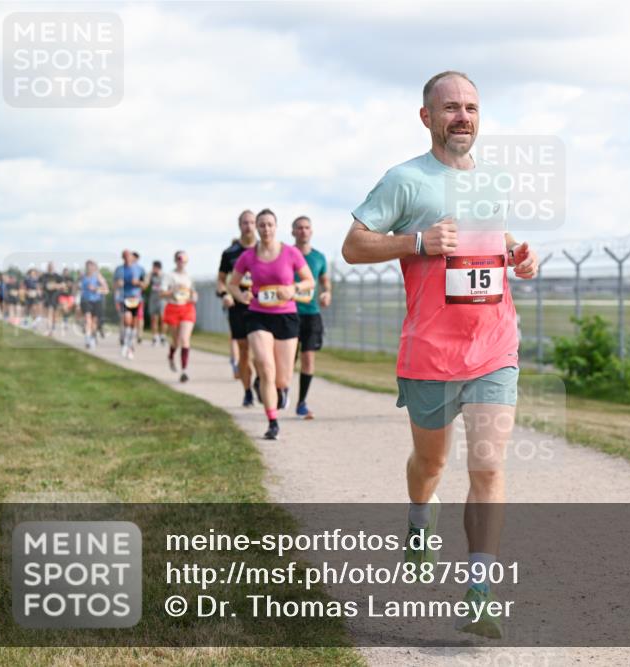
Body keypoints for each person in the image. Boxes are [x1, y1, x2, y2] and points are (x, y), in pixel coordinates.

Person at [342, 71, 538, 639]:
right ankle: (419, 518)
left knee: (489, 465)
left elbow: (490, 244)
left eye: (472, 107)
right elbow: (354, 246)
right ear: (426, 116)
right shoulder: (404, 181)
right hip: (429, 353)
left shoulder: (494, 182)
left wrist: (517, 256)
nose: (463, 116)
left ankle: (479, 589)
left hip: (494, 347)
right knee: (430, 465)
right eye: (450, 107)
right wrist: (418, 242)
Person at [228, 209, 314, 440]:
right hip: (258, 315)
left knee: (282, 378)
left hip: (286, 316)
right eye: (262, 225)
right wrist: (241, 296)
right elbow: (233, 284)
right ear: (256, 228)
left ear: (276, 227)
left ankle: (279, 389)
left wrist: (293, 288)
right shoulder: (248, 256)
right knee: (266, 366)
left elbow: (309, 281)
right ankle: (272, 421)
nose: (266, 229)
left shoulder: (290, 253)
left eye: (269, 225)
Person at [291, 215, 332, 419]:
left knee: (308, 359)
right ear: (293, 232)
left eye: (307, 227)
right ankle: (277, 391)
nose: (303, 231)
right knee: (288, 360)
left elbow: (325, 282)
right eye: (299, 228)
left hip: (311, 314)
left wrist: (326, 293)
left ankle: (301, 403)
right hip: (288, 313)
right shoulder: (286, 255)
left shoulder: (319, 257)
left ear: (311, 231)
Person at [218, 211, 258, 406]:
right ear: (239, 225)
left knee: (262, 349)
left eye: (252, 222)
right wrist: (225, 294)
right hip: (238, 306)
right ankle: (247, 390)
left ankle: (261, 380)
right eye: (245, 222)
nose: (248, 226)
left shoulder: (265, 249)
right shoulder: (230, 253)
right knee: (243, 350)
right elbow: (220, 281)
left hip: (261, 305)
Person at [161, 251, 198, 382]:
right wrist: (173, 290)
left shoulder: (189, 276)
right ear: (175, 260)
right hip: (173, 308)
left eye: (184, 259)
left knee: (184, 339)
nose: (181, 261)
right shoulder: (169, 276)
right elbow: (162, 294)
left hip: (187, 308)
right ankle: (171, 356)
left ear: (187, 261)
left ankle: (184, 371)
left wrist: (194, 297)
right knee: (176, 341)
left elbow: (193, 292)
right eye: (179, 259)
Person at [113, 250, 147, 359]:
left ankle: (130, 345)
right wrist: (118, 284)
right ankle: (126, 345)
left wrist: (138, 283)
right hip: (124, 298)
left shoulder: (139, 269)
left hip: (135, 298)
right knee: (127, 320)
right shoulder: (119, 269)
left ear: (132, 258)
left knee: (134, 323)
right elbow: (113, 285)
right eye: (125, 256)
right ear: (123, 258)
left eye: (129, 256)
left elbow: (145, 285)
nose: (127, 258)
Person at [79, 260, 109, 348]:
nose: (89, 268)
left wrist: (95, 288)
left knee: (94, 321)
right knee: (88, 319)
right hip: (85, 300)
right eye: (88, 266)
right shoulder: (82, 276)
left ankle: (93, 336)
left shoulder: (98, 276)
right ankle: (87, 339)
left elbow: (106, 290)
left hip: (96, 301)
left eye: (91, 266)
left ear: (94, 267)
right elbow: (76, 287)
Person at [39, 262, 62, 336]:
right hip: (47, 296)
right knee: (49, 312)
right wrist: (39, 291)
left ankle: (53, 327)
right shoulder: (44, 276)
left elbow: (63, 285)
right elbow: (39, 284)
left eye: (52, 266)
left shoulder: (57, 276)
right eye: (49, 266)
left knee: (54, 314)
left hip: (55, 296)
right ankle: (49, 330)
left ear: (54, 267)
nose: (50, 267)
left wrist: (55, 285)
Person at [147, 260, 166, 346]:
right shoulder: (151, 276)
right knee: (154, 319)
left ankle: (162, 336)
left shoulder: (164, 276)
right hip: (153, 299)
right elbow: (145, 283)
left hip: (162, 300)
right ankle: (155, 337)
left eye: (154, 267)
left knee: (163, 318)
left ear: (158, 268)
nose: (153, 269)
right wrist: (149, 274)